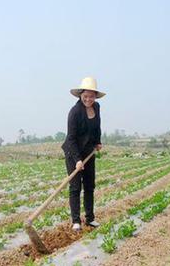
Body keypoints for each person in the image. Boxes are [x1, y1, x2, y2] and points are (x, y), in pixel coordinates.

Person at [61, 77, 105, 231]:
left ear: (95, 96)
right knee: (75, 187)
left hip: (88, 151)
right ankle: (75, 221)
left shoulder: (97, 107)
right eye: (85, 96)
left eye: (91, 96)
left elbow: (97, 126)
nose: (88, 99)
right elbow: (71, 139)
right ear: (80, 95)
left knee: (89, 186)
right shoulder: (74, 112)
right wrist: (77, 160)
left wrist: (98, 141)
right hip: (73, 152)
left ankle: (90, 219)